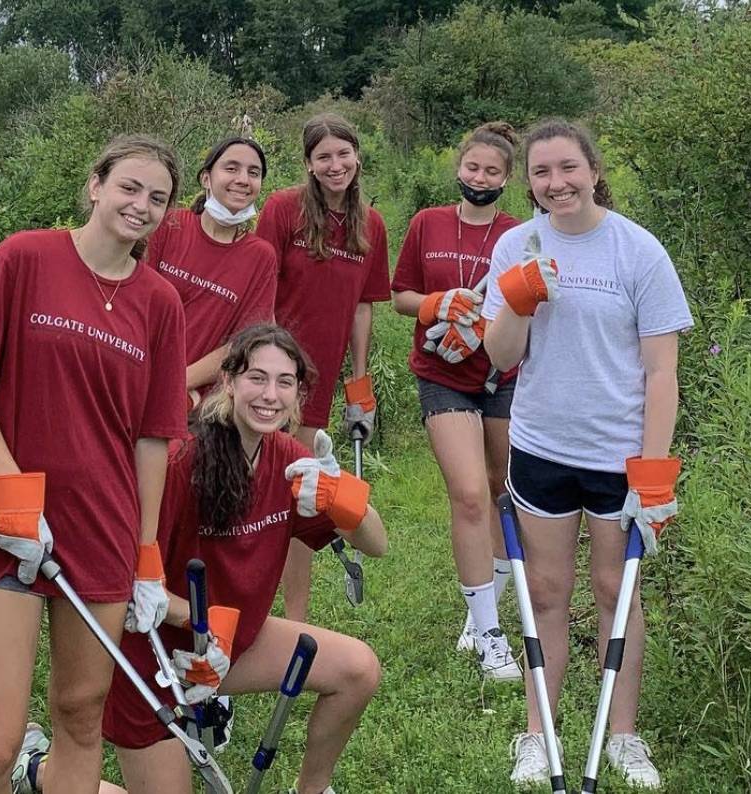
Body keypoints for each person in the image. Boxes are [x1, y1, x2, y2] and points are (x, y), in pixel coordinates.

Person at [7, 324, 386, 794]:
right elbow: (122, 580)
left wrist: (342, 497)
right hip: (152, 655)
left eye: (284, 382)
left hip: (231, 647)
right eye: (256, 378)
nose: (270, 395)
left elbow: (377, 544)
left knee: (358, 669)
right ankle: (36, 771)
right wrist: (200, 619)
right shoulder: (180, 462)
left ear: (298, 393)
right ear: (228, 382)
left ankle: (311, 789)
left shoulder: (288, 460)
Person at [0, 135, 189, 794]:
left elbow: (152, 437)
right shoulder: (25, 257)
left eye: (158, 198)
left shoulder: (160, 302)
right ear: (95, 185)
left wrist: (146, 552)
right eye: (130, 188)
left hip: (101, 534)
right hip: (5, 529)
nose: (141, 206)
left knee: (82, 718)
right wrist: (9, 491)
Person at [481, 119, 692, 790]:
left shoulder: (638, 251)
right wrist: (518, 298)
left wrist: (653, 475)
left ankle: (624, 736)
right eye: (541, 173)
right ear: (530, 182)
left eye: (568, 168)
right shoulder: (517, 244)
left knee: (615, 592)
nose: (556, 182)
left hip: (618, 455)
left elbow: (662, 372)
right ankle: (537, 735)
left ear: (593, 170)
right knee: (545, 592)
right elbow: (500, 356)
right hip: (541, 445)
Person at [390, 121, 523, 681]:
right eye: (473, 168)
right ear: (458, 167)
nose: (480, 178)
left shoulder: (519, 233)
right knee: (468, 494)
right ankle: (493, 636)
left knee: (501, 489)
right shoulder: (427, 223)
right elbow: (399, 296)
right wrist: (438, 304)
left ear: (507, 179)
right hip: (441, 370)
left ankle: (481, 607)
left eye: (492, 172)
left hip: (502, 372)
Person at [256, 113, 391, 622]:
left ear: (357, 157)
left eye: (343, 154)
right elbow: (259, 286)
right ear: (309, 165)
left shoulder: (369, 224)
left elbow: (363, 306)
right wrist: (267, 366)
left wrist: (359, 383)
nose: (335, 166)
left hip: (321, 378)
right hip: (272, 376)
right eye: (323, 157)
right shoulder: (283, 209)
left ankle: (296, 618)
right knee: (255, 485)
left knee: (300, 493)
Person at [145, 136, 277, 409]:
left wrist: (178, 385)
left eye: (254, 173)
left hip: (195, 405)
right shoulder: (170, 225)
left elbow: (243, 343)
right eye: (231, 168)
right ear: (206, 178)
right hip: (135, 378)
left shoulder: (260, 257)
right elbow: (133, 302)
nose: (243, 179)